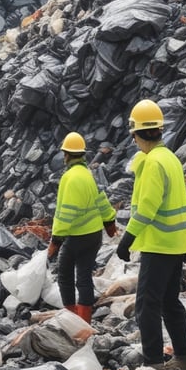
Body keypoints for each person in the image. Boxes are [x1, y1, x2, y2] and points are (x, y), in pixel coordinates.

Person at [116, 100, 186, 370]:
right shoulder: (170, 158)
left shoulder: (152, 163)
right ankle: (185, 359)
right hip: (177, 243)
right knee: (170, 303)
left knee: (146, 305)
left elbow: (147, 209)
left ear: (136, 133)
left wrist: (127, 239)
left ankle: (153, 365)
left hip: (159, 244)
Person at [48, 132, 118, 324]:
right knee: (84, 277)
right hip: (94, 236)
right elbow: (101, 200)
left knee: (65, 276)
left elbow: (65, 214)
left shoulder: (69, 178)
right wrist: (109, 222)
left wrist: (55, 241)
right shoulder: (88, 174)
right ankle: (85, 322)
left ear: (66, 155)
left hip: (77, 237)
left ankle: (71, 320)